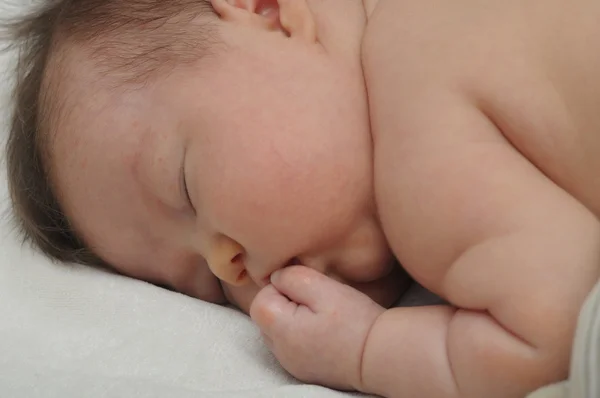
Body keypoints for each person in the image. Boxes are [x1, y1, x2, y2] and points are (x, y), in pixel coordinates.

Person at [5, 0, 600, 397]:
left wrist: (368, 351)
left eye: (185, 187)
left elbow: (547, 335)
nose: (224, 265)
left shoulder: (418, 143)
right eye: (203, 288)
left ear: (264, 9)